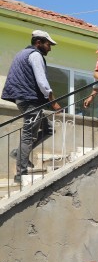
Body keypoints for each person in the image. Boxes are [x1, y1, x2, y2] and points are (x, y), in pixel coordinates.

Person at [1, 29, 62, 184]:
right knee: (28, 134)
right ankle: (20, 173)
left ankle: (18, 153)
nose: (50, 48)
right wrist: (53, 101)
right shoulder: (35, 55)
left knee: (48, 129)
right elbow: (42, 81)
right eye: (48, 44)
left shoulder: (22, 53)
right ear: (38, 42)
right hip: (30, 101)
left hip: (23, 100)